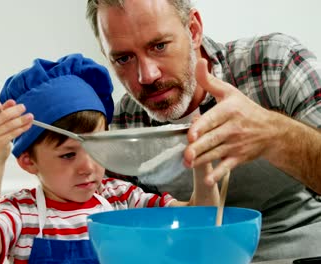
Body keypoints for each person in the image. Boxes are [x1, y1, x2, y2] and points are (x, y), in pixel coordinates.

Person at [85, 0, 321, 261]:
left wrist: (277, 134)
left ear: (193, 29)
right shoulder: (125, 122)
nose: (147, 76)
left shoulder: (274, 65)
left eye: (159, 46)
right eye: (124, 58)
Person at [0, 53, 219, 264]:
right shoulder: (21, 213)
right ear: (29, 161)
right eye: (68, 155)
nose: (88, 167)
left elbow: (198, 221)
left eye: (96, 148)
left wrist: (202, 162)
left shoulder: (120, 198)